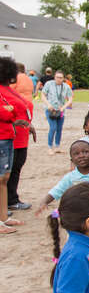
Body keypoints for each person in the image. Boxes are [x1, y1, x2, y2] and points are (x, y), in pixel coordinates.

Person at [0, 57, 32, 233]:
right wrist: (11, 114)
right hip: (2, 136)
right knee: (0, 179)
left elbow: (12, 110)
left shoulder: (6, 89)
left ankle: (4, 216)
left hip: (9, 135)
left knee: (4, 178)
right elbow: (5, 112)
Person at [36, 140, 89, 216]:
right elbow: (57, 190)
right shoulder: (70, 177)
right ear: (72, 160)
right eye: (76, 154)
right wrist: (44, 202)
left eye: (85, 152)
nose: (81, 156)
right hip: (77, 212)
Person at [8, 62, 35, 211]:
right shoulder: (11, 91)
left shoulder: (20, 91)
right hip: (14, 137)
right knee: (12, 169)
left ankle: (11, 198)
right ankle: (10, 199)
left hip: (21, 136)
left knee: (15, 168)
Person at [41, 70, 73, 155]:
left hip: (61, 110)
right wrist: (48, 104)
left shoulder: (66, 86)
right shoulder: (49, 84)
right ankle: (50, 147)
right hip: (50, 109)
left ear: (63, 78)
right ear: (54, 77)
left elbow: (70, 98)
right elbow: (43, 95)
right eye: (57, 77)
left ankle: (57, 146)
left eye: (61, 78)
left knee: (59, 128)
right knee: (53, 127)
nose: (59, 79)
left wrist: (63, 107)